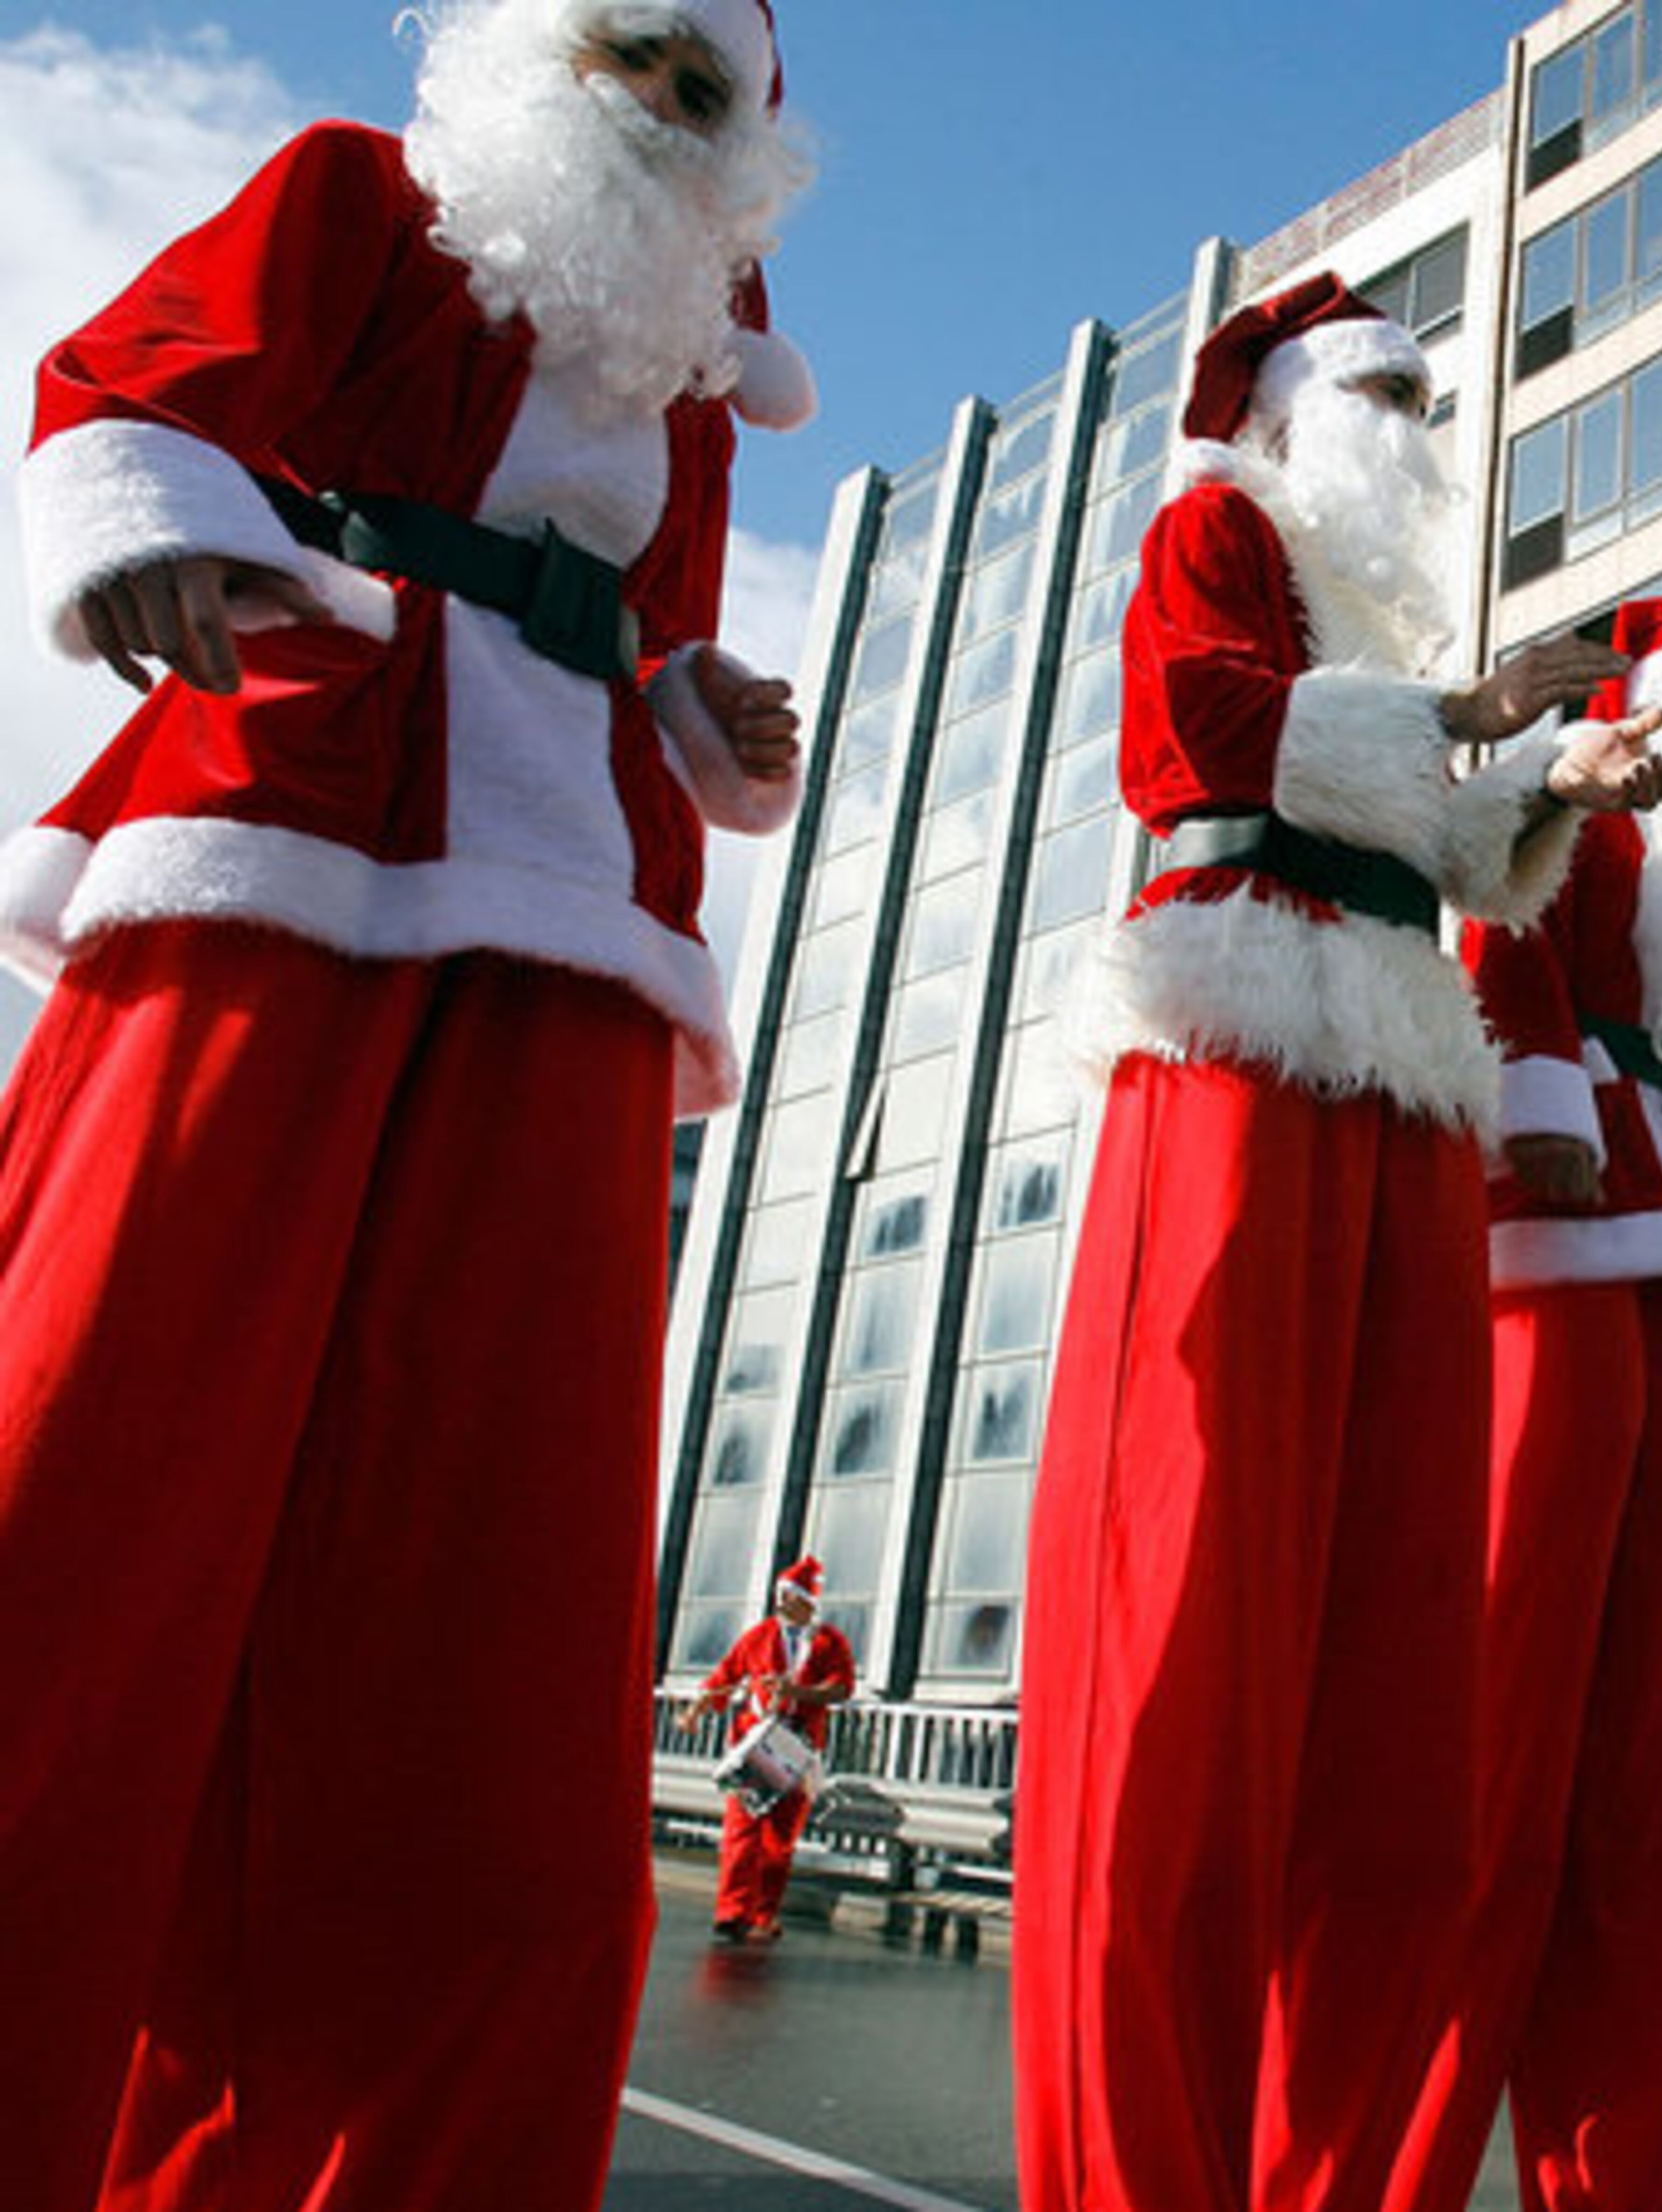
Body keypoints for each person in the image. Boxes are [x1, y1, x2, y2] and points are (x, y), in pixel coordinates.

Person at [0, 3, 812, 2207]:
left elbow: (635, 620)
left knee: (486, 1633)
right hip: (284, 827)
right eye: (627, 54)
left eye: (704, 89)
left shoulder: (694, 371)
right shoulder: (367, 194)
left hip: (560, 932)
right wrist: (160, 528)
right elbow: (126, 388)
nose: (657, 109)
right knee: (78, 1493)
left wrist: (691, 695)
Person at [1010, 271, 1662, 2212]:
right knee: (1194, 1629)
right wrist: (1465, 711)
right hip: (1237, 1030)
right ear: (1289, 411)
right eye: (1370, 385)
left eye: (1420, 391)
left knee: (1396, 1683)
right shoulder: (1211, 525)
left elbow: (1435, 845)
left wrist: (1539, 787)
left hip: (1401, 1057)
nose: (1402, 415)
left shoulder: (1377, 622)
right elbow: (1190, 730)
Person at [1386, 596, 1662, 2212]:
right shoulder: (1599, 798)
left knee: (1660, 1766)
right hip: (1564, 1248)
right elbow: (1509, 936)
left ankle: (1632, 2172)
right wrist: (1541, 1104)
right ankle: (1381, 2160)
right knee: (1509, 1726)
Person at [680, 1553, 856, 1942]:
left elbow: (842, 1688)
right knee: (742, 1829)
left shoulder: (829, 1642)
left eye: (790, 1595)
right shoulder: (759, 1637)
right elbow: (723, 1679)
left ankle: (762, 1914)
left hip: (797, 1749)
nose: (781, 1602)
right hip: (756, 1742)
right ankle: (732, 1912)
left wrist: (797, 1692)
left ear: (810, 1600)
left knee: (779, 1839)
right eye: (780, 1594)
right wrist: (695, 1710)